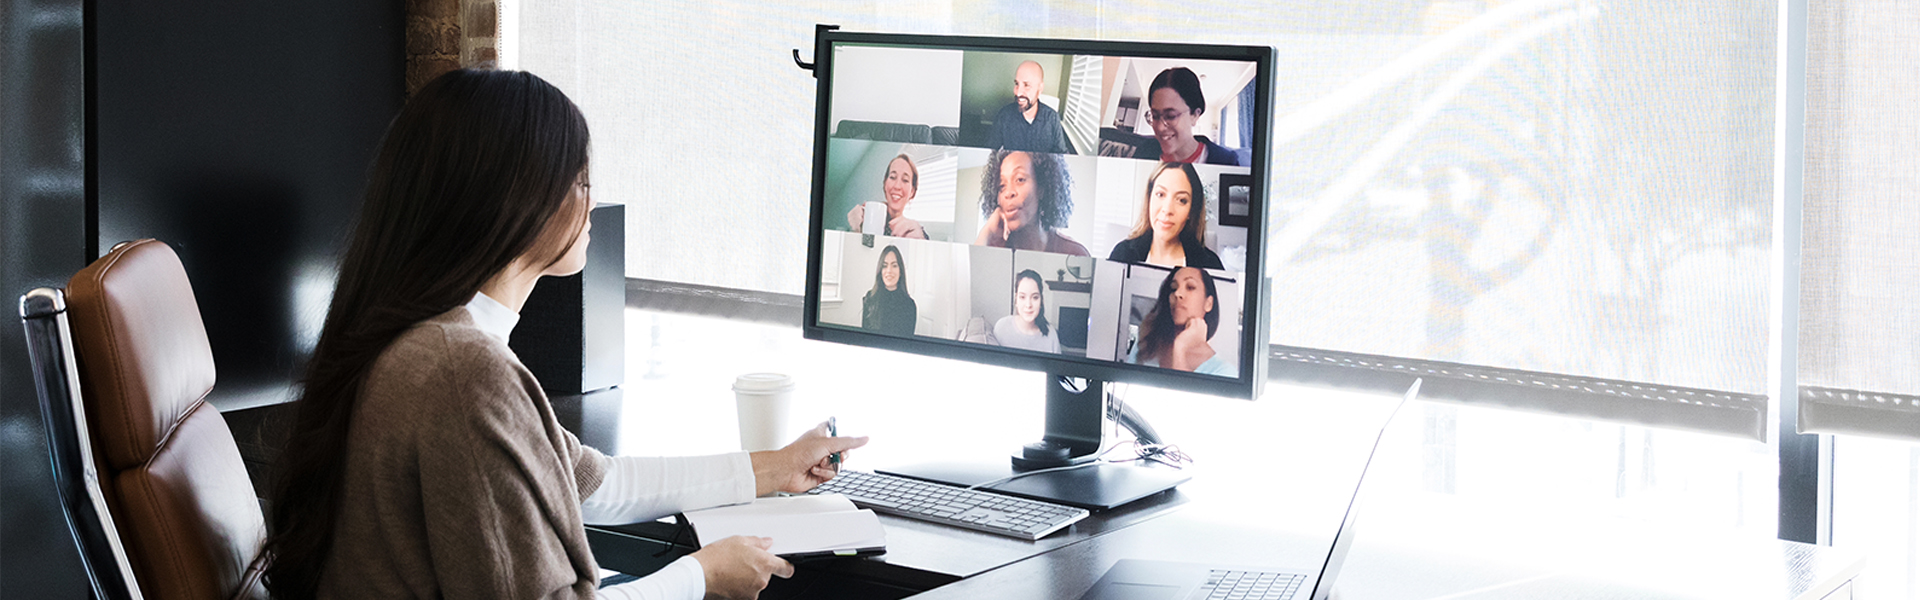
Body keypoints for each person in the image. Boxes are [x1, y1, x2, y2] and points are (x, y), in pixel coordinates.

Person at [255, 69, 868, 600]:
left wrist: (777, 467)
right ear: (516, 201)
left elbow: (597, 483)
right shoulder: (459, 371)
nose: (592, 201)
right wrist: (700, 576)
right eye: (579, 181)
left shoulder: (426, 340)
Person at [1107, 162, 1224, 269]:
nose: (1167, 209)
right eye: (1160, 194)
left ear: (1191, 211)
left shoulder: (1210, 264)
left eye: (1181, 200)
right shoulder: (1122, 254)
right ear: (1149, 199)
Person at [973, 149, 1090, 256]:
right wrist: (984, 237)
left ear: (1041, 188)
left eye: (1020, 180)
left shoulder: (1074, 253)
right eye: (1001, 186)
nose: (1008, 193)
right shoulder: (992, 250)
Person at [1130, 267, 1232, 375]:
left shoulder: (1223, 371)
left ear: (1208, 304)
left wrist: (1180, 347)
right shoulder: (1145, 345)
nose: (1178, 293)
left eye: (1190, 287)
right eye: (1173, 288)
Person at [1137, 67, 1245, 166]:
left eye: (1170, 116)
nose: (1160, 127)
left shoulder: (1225, 162)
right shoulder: (1144, 152)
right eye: (1155, 116)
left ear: (1194, 115)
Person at [984, 60, 1073, 153]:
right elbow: (990, 152)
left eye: (1027, 85)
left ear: (1040, 88)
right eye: (1017, 84)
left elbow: (1062, 155)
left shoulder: (1052, 118)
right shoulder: (1004, 115)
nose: (1018, 93)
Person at [845, 154, 928, 239]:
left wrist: (919, 242)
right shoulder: (866, 219)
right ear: (885, 184)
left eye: (905, 180)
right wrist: (855, 231)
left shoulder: (915, 231)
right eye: (892, 177)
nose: (897, 186)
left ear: (912, 192)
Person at [992, 269, 1060, 353]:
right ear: (1016, 299)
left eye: (1035, 297)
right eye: (1022, 297)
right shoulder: (1001, 327)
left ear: (1041, 301)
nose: (1028, 305)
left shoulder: (1051, 335)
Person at [861, 245, 918, 336]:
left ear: (901, 271)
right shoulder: (870, 298)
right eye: (884, 266)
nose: (889, 271)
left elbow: (907, 342)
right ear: (880, 270)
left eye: (894, 265)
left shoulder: (909, 305)